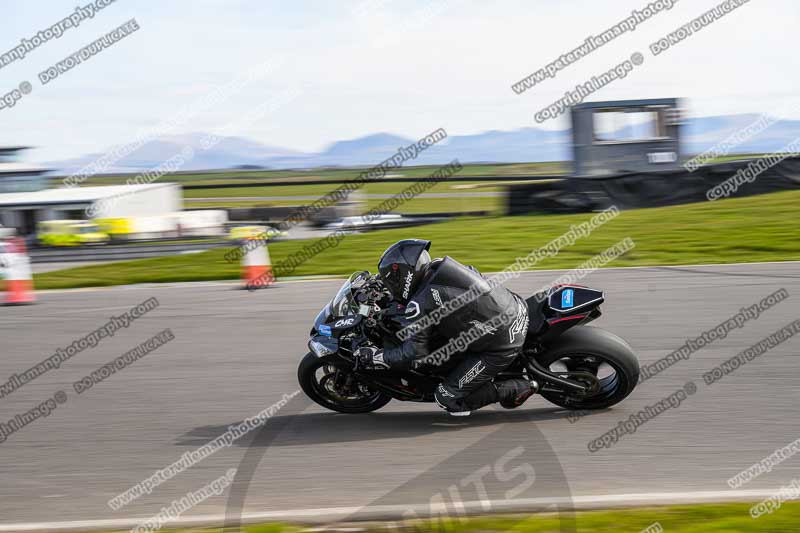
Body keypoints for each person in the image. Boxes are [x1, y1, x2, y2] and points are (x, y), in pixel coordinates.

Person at [355, 239, 541, 416]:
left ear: (406, 275)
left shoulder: (419, 304)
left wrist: (377, 357)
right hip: (513, 307)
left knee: (446, 397)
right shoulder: (438, 267)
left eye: (393, 280)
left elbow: (413, 354)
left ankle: (518, 389)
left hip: (500, 345)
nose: (391, 285)